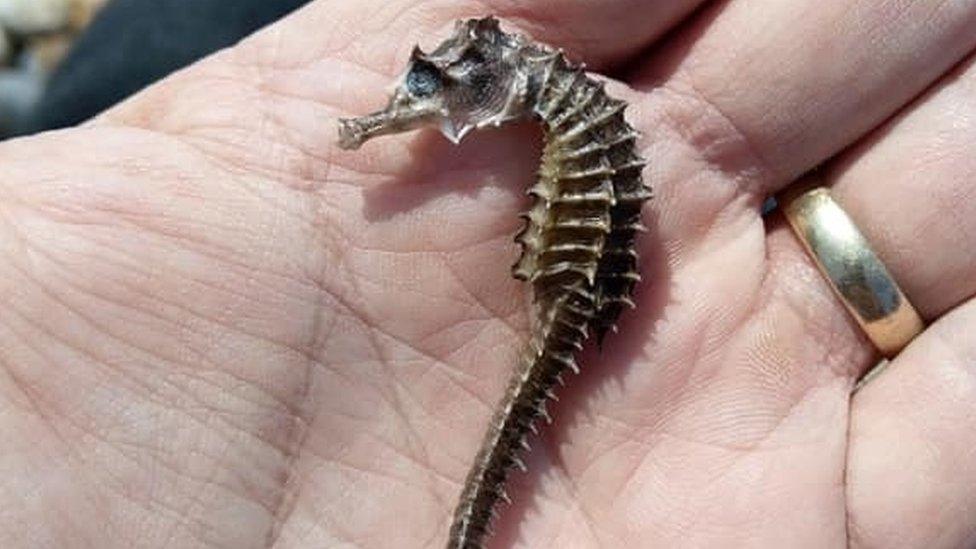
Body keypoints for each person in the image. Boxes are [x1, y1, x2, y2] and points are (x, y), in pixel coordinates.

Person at [0, 1, 973, 547]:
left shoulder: (551, 110)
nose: (403, 110)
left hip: (573, 268)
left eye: (430, 89)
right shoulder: (537, 103)